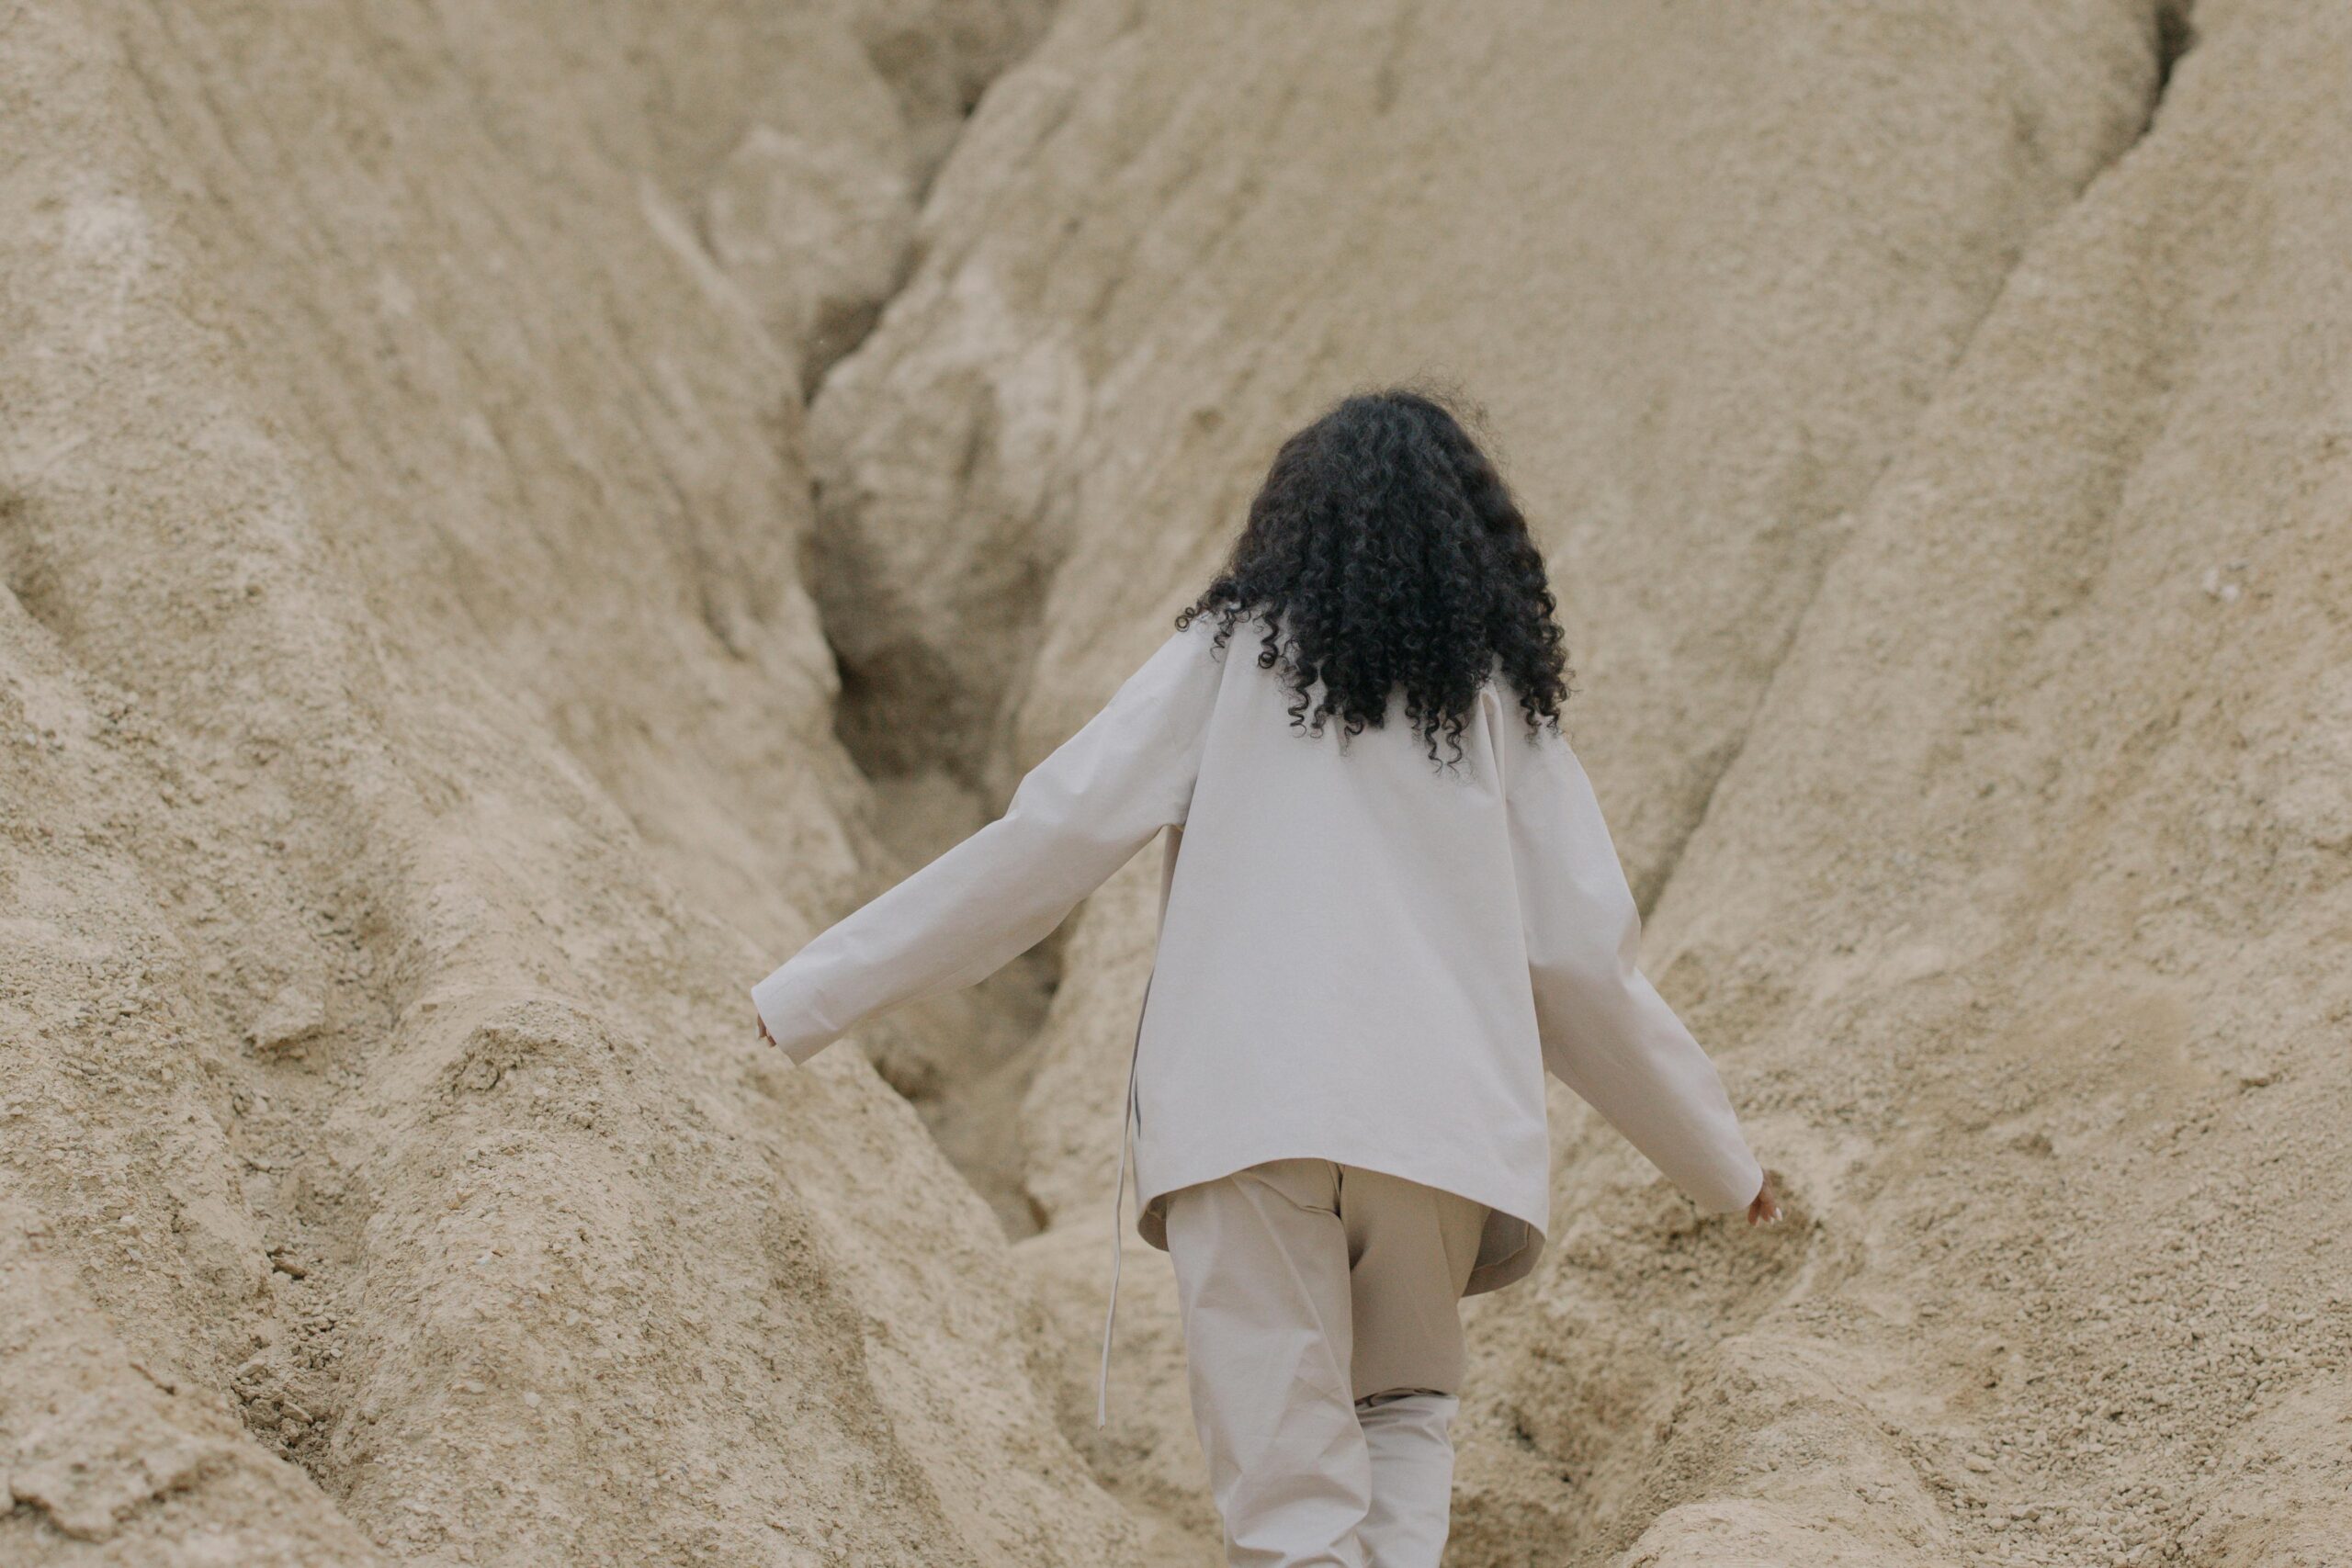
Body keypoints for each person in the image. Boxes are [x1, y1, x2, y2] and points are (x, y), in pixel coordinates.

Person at [750, 385, 1780, 1567]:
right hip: (1435, 1137)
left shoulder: (1226, 659)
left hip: (1251, 1122)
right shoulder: (1498, 703)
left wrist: (810, 995)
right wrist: (1719, 1160)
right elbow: (1581, 963)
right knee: (1401, 1420)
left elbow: (1048, 844)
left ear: (1290, 526)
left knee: (1291, 1510)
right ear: (1474, 545)